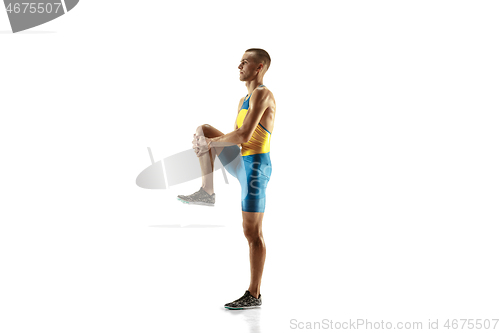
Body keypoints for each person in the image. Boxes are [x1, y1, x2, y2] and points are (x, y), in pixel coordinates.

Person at [177, 48, 276, 309]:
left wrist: (210, 144)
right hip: (240, 162)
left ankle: (254, 295)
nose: (239, 65)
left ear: (260, 67)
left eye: (246, 61)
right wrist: (206, 143)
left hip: (255, 168)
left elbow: (244, 135)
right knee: (203, 129)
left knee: (251, 232)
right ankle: (206, 192)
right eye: (240, 60)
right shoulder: (244, 98)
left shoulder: (264, 94)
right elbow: (234, 136)